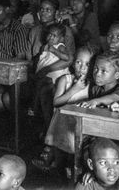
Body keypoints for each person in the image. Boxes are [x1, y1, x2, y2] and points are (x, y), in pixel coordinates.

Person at [34, 46, 95, 174]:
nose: (82, 67)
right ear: (73, 63)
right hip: (61, 123)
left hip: (80, 125)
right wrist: (74, 90)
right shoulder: (64, 79)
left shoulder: (92, 85)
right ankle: (57, 169)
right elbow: (56, 102)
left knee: (75, 157)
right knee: (60, 157)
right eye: (78, 62)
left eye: (87, 64)